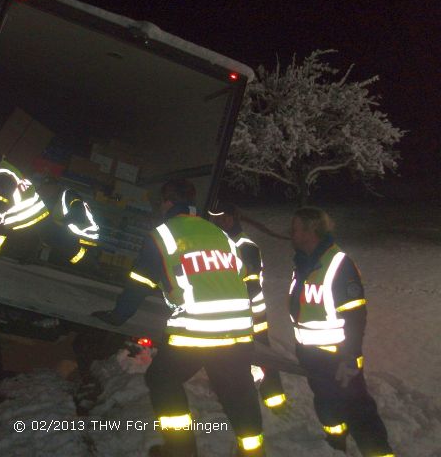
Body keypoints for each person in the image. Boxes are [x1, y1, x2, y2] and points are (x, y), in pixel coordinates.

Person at [93, 180, 265, 457]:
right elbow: (248, 282)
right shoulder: (218, 233)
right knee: (238, 395)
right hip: (239, 332)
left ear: (168, 203)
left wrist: (117, 316)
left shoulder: (163, 235)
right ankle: (254, 453)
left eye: (161, 202)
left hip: (196, 331)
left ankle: (180, 449)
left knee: (161, 380)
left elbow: (139, 281)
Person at [288, 207, 394, 457]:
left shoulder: (338, 264)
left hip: (338, 358)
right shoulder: (304, 263)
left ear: (310, 230)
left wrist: (349, 359)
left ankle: (379, 452)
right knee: (326, 405)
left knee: (358, 410)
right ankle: (336, 444)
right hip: (312, 355)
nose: (290, 233)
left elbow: (355, 317)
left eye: (295, 228)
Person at [208, 202, 287, 413]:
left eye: (222, 217)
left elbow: (249, 284)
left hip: (252, 313)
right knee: (238, 355)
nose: (217, 221)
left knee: (261, 354)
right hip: (236, 312)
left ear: (232, 218)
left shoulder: (245, 246)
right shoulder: (222, 243)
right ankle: (240, 396)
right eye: (215, 218)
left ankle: (275, 402)